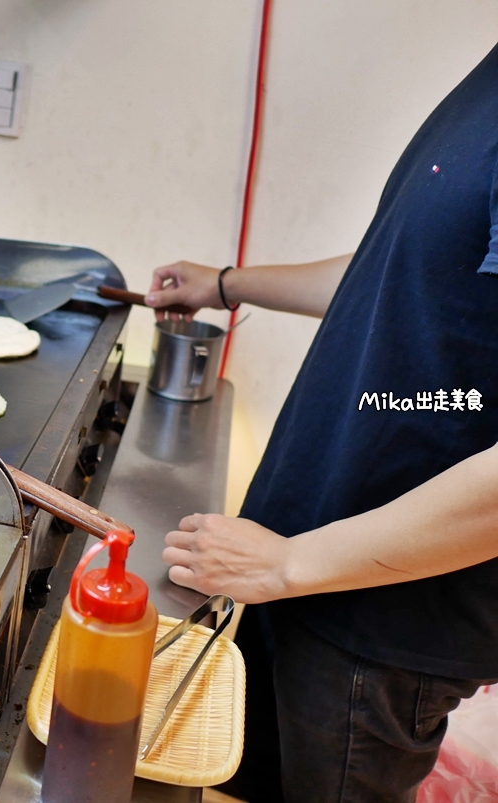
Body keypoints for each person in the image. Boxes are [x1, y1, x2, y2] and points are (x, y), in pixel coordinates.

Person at [146, 42, 498, 803]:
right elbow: (398, 268)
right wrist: (229, 284)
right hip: (310, 572)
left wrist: (288, 564)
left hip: (381, 620)